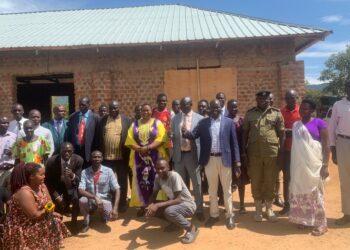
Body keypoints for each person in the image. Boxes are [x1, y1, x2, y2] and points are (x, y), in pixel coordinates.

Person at [183, 99, 241, 230]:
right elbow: (193, 135)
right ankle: (214, 215)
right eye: (212, 108)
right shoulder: (203, 123)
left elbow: (234, 143)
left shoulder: (228, 122)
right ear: (209, 109)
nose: (215, 110)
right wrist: (185, 132)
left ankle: (229, 215)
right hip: (209, 160)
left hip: (225, 159)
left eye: (217, 108)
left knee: (227, 190)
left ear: (221, 108)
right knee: (212, 190)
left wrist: (237, 162)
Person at [3, 162, 70, 249]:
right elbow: (34, 215)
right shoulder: (24, 192)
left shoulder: (42, 186)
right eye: (41, 175)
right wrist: (49, 211)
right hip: (24, 227)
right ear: (31, 177)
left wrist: (51, 212)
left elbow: (50, 202)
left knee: (54, 222)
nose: (44, 177)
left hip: (39, 220)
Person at [289, 99, 330, 236]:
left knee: (316, 194)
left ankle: (322, 223)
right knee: (300, 191)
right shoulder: (296, 125)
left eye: (305, 109)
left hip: (314, 166)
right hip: (299, 167)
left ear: (312, 110)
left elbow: (325, 145)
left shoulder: (320, 123)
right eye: (301, 109)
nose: (302, 112)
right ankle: (304, 219)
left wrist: (325, 165)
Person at [243, 90, 285, 222]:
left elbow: (282, 135)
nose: (263, 101)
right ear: (257, 100)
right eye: (260, 99)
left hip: (271, 154)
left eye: (265, 99)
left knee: (270, 180)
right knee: (256, 180)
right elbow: (245, 134)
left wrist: (281, 152)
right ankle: (258, 209)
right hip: (254, 154)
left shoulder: (276, 114)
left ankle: (269, 209)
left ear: (269, 100)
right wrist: (244, 152)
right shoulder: (250, 114)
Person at [125, 103, 168, 216]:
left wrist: (148, 147)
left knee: (156, 179)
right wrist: (140, 149)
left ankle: (156, 205)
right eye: (143, 111)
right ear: (140, 112)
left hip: (155, 157)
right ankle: (143, 205)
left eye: (148, 110)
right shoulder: (134, 124)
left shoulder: (157, 123)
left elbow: (162, 138)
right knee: (141, 180)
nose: (145, 112)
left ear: (151, 111)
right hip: (138, 158)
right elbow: (129, 140)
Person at [146, 159, 199, 244]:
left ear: (168, 167)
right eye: (158, 168)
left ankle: (192, 228)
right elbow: (153, 195)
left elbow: (178, 199)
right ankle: (177, 224)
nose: (160, 171)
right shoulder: (157, 177)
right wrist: (150, 206)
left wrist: (158, 205)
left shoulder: (174, 176)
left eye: (162, 168)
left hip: (187, 205)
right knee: (154, 209)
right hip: (175, 204)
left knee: (169, 211)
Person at [171, 97, 204, 221]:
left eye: (186, 104)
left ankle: (199, 209)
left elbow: (201, 138)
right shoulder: (175, 118)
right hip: (179, 155)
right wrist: (172, 136)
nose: (183, 107)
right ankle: (184, 209)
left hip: (192, 155)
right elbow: (174, 136)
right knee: (181, 185)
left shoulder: (199, 119)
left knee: (197, 184)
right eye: (182, 105)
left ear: (191, 104)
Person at [98, 101, 131, 212]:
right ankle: (110, 202)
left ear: (119, 108)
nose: (113, 110)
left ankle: (122, 203)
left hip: (122, 157)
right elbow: (99, 137)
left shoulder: (126, 120)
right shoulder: (103, 120)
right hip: (107, 158)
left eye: (115, 108)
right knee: (108, 181)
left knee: (122, 181)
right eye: (111, 108)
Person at [78, 151, 120, 233]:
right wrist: (94, 197)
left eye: (99, 157)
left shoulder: (108, 171)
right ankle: (86, 221)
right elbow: (80, 190)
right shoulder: (84, 172)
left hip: (104, 199)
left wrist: (115, 208)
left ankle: (103, 215)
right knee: (82, 200)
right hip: (90, 199)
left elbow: (117, 189)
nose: (96, 159)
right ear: (90, 158)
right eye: (94, 157)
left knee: (110, 217)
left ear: (102, 159)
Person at [45, 142, 83, 228]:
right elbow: (48, 181)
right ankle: (55, 225)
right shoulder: (51, 161)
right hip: (57, 186)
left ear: (73, 151)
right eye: (64, 151)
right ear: (60, 151)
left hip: (71, 185)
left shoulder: (78, 160)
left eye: (69, 151)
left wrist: (72, 175)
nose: (66, 153)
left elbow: (78, 180)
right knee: (51, 203)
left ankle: (74, 222)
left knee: (75, 199)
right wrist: (57, 196)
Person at [329, 80, 350, 225]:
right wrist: (333, 149)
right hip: (343, 143)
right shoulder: (338, 105)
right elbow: (331, 128)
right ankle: (348, 214)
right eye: (348, 86)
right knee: (345, 180)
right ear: (345, 88)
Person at [227, 99, 250, 214]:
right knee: (229, 181)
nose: (234, 109)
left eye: (236, 107)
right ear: (227, 108)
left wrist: (244, 153)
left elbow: (245, 137)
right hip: (227, 155)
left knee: (240, 180)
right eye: (231, 107)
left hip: (240, 154)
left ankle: (241, 205)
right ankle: (229, 205)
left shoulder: (241, 120)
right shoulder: (224, 121)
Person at [279, 90, 300, 215]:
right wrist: (290, 131)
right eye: (288, 98)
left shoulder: (301, 111)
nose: (290, 100)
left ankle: (297, 204)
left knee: (298, 178)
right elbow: (280, 131)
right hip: (286, 151)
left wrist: (289, 131)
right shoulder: (281, 112)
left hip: (300, 151)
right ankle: (287, 204)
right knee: (287, 178)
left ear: (296, 98)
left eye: (292, 98)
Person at [66, 97, 99, 167]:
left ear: (89, 105)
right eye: (80, 105)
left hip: (89, 150)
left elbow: (97, 136)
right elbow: (70, 135)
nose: (81, 106)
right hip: (76, 149)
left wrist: (95, 151)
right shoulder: (73, 116)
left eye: (83, 105)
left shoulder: (95, 118)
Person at [0, 116, 16, 190]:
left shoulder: (14, 136)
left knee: (10, 189)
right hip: (0, 169)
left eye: (7, 123)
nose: (6, 125)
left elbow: (19, 152)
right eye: (3, 123)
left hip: (10, 169)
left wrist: (12, 152)